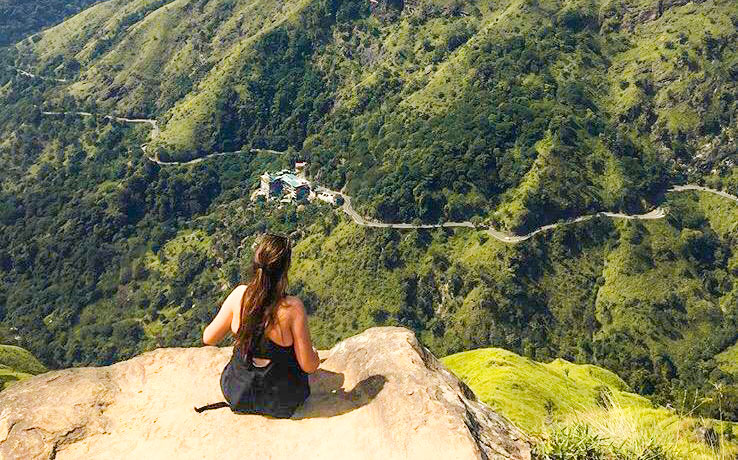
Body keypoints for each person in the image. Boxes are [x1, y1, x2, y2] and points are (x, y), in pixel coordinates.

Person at [197, 233, 320, 418]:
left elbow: (209, 338)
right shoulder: (292, 308)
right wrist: (315, 355)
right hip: (281, 399)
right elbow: (309, 366)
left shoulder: (240, 295)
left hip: (239, 391)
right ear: (285, 269)